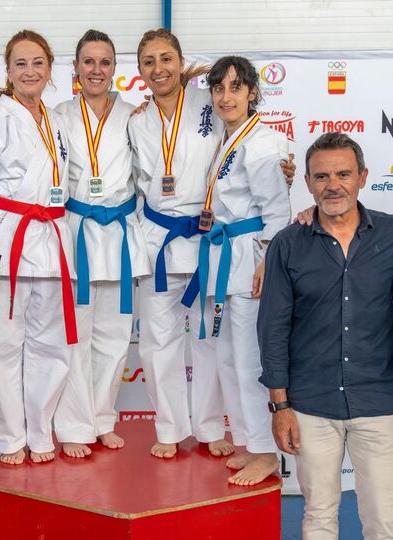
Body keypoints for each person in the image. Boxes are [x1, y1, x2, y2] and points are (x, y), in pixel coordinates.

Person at [128, 30, 294, 465]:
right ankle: (170, 428)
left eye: (167, 58)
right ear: (140, 69)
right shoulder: (135, 120)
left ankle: (210, 427)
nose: (159, 68)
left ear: (182, 62)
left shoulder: (208, 103)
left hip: (211, 244)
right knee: (159, 342)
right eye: (148, 61)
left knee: (212, 343)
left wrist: (285, 169)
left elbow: (262, 162)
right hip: (162, 240)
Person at [258, 132, 393, 539]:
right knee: (318, 516)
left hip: (379, 401)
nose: (333, 185)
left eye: (343, 174)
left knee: (384, 521)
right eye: (322, 176)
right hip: (310, 405)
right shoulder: (287, 244)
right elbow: (273, 328)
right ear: (308, 182)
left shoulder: (390, 237)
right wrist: (280, 406)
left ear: (363, 177)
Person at [0, 29, 76, 465]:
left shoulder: (56, 121)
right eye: (20, 63)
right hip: (7, 239)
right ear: (8, 71)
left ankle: (40, 434)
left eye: (38, 63)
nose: (29, 71)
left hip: (51, 240)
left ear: (50, 69)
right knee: (5, 348)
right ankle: (10, 439)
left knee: (51, 346)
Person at [180, 56, 291, 485]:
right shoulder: (228, 138)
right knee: (226, 358)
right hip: (222, 256)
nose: (226, 97)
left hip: (248, 259)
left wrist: (267, 261)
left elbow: (276, 211)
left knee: (247, 360)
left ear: (252, 93)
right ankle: (248, 442)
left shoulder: (262, 143)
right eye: (218, 88)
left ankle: (265, 451)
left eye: (235, 88)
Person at [53, 30, 150, 458]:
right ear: (75, 68)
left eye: (104, 62)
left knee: (114, 335)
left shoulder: (135, 115)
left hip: (120, 232)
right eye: (88, 62)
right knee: (75, 335)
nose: (96, 70)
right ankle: (75, 425)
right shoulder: (58, 116)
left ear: (115, 68)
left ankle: (102, 419)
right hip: (76, 230)